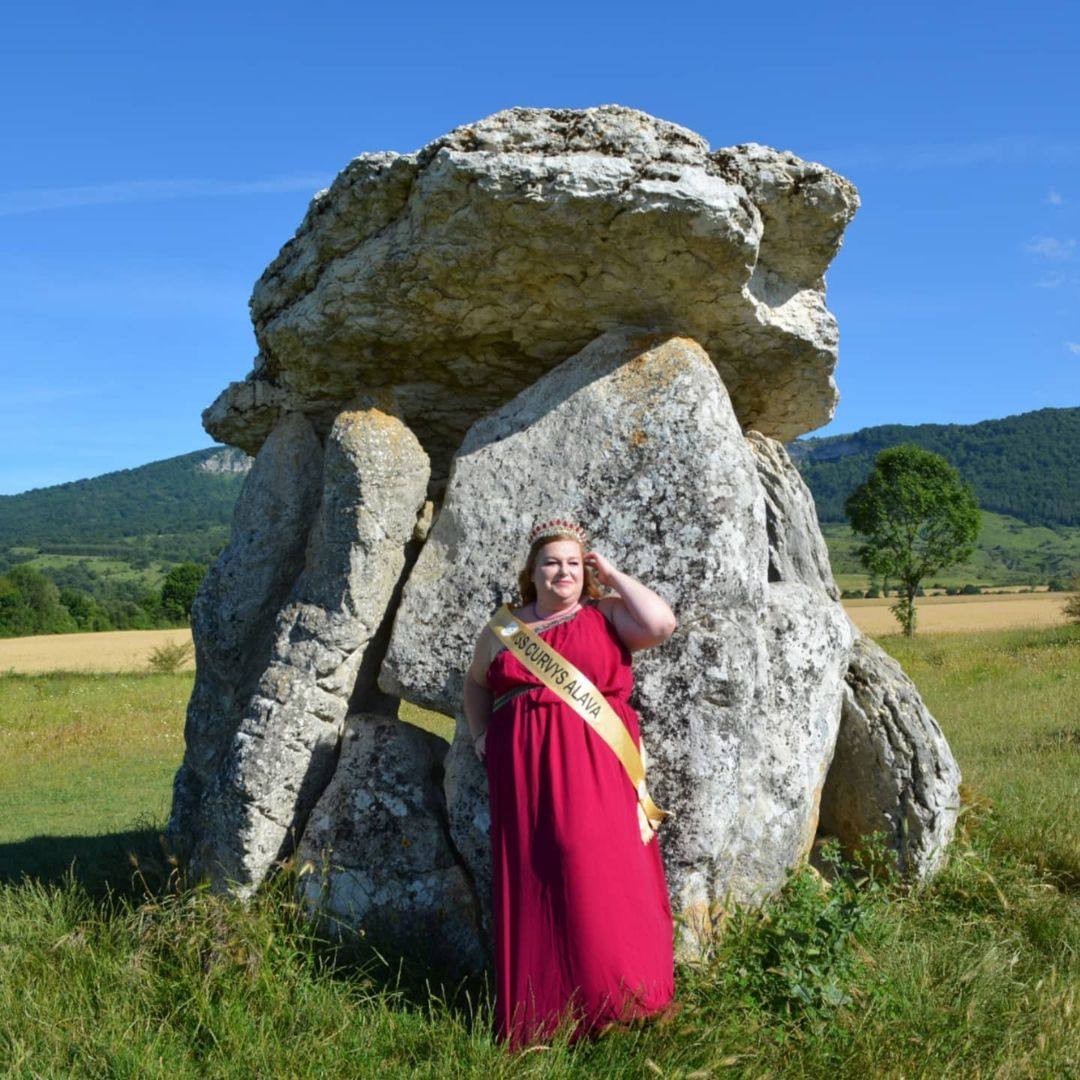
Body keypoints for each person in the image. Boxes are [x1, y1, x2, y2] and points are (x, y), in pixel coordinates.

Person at [463, 518, 679, 1050]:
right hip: (523, 767)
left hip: (596, 760)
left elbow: (660, 624)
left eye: (574, 563)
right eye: (552, 562)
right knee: (537, 872)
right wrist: (480, 736)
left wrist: (612, 573)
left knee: (598, 863)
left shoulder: (604, 615)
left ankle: (624, 1001)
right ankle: (547, 1015)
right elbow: (475, 684)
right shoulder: (504, 629)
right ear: (532, 571)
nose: (564, 572)